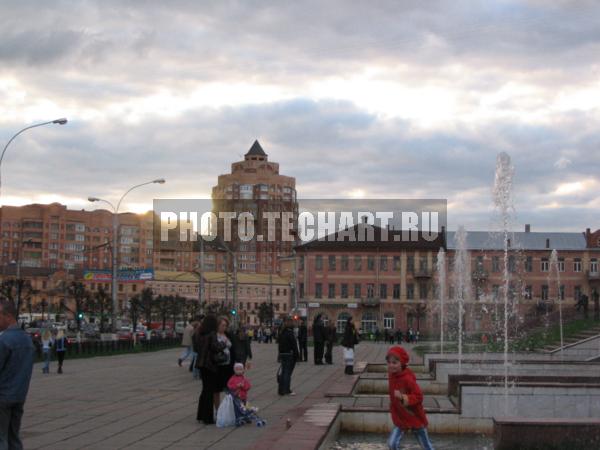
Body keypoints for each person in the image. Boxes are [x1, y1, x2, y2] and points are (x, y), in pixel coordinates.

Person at [0, 299, 35, 450]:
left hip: (2, 397)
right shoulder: (26, 339)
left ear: (7, 316)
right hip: (19, 395)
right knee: (14, 437)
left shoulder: (4, 340)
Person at [386, 346, 433, 450]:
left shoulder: (407, 379)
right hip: (400, 418)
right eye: (389, 362)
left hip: (414, 416)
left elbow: (419, 396)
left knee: (427, 447)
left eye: (394, 363)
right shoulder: (391, 375)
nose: (391, 365)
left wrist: (403, 397)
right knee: (391, 444)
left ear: (402, 363)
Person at [195, 314, 220, 424]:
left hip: (201, 364)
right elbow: (215, 347)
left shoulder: (199, 334)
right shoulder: (212, 334)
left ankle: (201, 415)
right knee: (209, 391)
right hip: (210, 364)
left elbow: (196, 348)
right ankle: (208, 418)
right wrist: (224, 344)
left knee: (204, 390)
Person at [277, 317, 299, 396]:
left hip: (283, 354)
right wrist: (297, 355)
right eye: (291, 322)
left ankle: (281, 390)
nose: (293, 323)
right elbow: (294, 345)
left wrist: (279, 354)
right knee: (287, 373)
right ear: (288, 323)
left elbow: (279, 344)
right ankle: (286, 390)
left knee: (283, 372)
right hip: (289, 354)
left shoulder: (281, 332)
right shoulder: (290, 333)